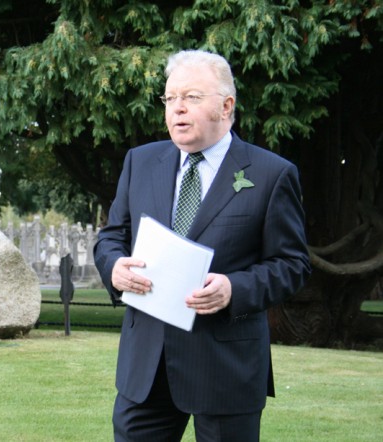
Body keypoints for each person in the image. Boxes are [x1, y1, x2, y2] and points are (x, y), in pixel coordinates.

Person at [93, 49, 311, 442]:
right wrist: (114, 267)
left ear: (226, 106)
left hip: (226, 366)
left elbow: (292, 264)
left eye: (192, 97)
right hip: (147, 366)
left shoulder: (271, 174)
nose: (177, 109)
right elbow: (112, 237)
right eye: (170, 98)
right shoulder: (139, 162)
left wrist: (234, 289)